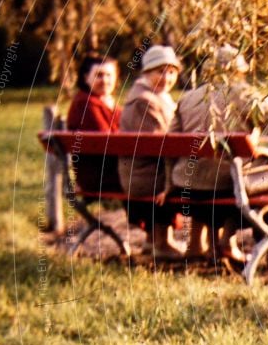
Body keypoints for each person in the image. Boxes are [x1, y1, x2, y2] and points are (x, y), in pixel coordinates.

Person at [169, 45, 268, 262]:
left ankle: (219, 244)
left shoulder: (187, 98)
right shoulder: (246, 95)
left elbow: (171, 141)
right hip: (228, 185)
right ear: (239, 70)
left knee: (223, 172)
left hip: (186, 184)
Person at [117, 45, 184, 259]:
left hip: (144, 171)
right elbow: (160, 146)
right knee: (192, 179)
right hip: (145, 175)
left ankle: (154, 241)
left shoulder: (153, 96)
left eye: (172, 72)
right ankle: (161, 243)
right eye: (160, 71)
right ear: (146, 72)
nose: (167, 78)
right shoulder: (144, 102)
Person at [66, 54, 122, 191]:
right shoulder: (86, 103)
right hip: (99, 177)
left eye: (109, 75)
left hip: (113, 171)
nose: (105, 80)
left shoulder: (106, 102)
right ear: (86, 78)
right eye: (99, 75)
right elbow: (108, 142)